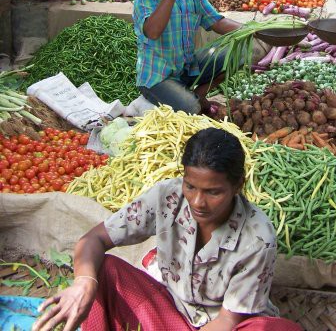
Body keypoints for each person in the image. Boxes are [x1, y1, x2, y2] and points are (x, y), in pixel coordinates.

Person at [32, 128, 303, 331]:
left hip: (225, 325)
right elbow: (95, 239)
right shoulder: (167, 197)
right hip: (170, 314)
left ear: (237, 185)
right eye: (191, 186)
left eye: (213, 192)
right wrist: (84, 283)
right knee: (105, 269)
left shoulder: (256, 238)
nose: (198, 201)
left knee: (272, 329)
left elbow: (228, 319)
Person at [133, 0, 242, 113]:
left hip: (187, 68)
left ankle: (199, 93)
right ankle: (190, 99)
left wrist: (254, 31)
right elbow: (152, 32)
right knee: (192, 108)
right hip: (157, 78)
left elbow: (217, 22)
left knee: (240, 52)